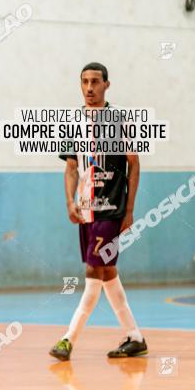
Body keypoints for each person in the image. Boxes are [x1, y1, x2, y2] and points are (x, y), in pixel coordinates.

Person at [49, 62, 146, 361]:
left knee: (93, 272)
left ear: (107, 84)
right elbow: (70, 167)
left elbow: (134, 163)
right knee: (107, 273)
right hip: (87, 211)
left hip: (111, 209)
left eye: (95, 82)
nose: (89, 87)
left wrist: (129, 210)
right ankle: (135, 337)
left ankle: (68, 340)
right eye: (84, 82)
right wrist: (69, 201)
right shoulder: (74, 121)